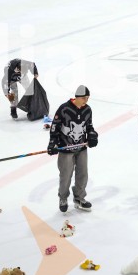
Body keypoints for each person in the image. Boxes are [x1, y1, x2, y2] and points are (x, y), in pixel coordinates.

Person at [48, 85, 97, 213]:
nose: (87, 100)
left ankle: (79, 198)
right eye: (85, 98)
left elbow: (89, 126)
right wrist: (53, 143)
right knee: (66, 176)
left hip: (81, 147)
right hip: (66, 148)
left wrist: (92, 135)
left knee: (82, 174)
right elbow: (54, 127)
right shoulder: (64, 109)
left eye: (88, 98)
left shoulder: (87, 110)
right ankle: (63, 198)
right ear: (79, 97)